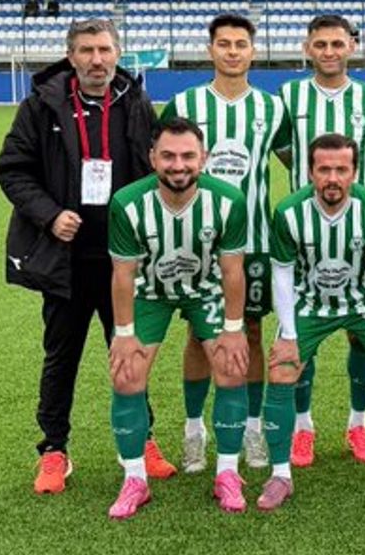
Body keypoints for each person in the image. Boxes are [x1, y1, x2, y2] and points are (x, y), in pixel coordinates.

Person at [0, 18, 173, 495]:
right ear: (70, 56)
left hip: (122, 261)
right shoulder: (41, 104)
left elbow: (155, 167)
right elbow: (12, 169)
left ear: (118, 54)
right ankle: (54, 449)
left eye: (105, 50)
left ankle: (141, 441)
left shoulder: (135, 102)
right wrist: (50, 215)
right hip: (65, 259)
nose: (97, 60)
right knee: (61, 357)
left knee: (130, 353)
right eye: (87, 51)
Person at [255, 134, 365, 510]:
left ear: (354, 172)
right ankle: (280, 475)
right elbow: (282, 275)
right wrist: (288, 335)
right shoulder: (289, 212)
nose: (332, 178)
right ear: (310, 171)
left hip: (362, 301)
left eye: (341, 170)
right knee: (281, 367)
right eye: (323, 169)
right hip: (309, 303)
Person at [160, 14, 289, 474]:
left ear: (253, 51)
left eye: (240, 44)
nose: (233, 52)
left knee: (249, 332)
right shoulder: (185, 103)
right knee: (199, 336)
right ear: (210, 49)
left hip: (253, 240)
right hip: (195, 245)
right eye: (224, 44)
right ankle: (194, 430)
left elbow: (292, 161)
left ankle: (252, 427)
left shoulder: (273, 108)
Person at [104, 117, 250, 519]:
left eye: (188, 156)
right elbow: (123, 274)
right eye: (168, 156)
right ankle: (135, 479)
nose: (178, 165)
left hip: (206, 290)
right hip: (150, 293)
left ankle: (227, 473)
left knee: (232, 366)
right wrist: (124, 333)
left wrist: (234, 330)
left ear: (203, 159)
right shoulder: (127, 202)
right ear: (152, 158)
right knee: (127, 374)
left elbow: (233, 270)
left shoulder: (228, 201)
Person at [277, 14, 365, 467]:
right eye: (321, 44)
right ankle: (303, 427)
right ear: (307, 48)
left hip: (360, 235)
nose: (329, 51)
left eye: (337, 43)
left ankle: (357, 423)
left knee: (360, 334)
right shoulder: (289, 96)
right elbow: (286, 151)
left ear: (352, 45)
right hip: (304, 234)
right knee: (299, 332)